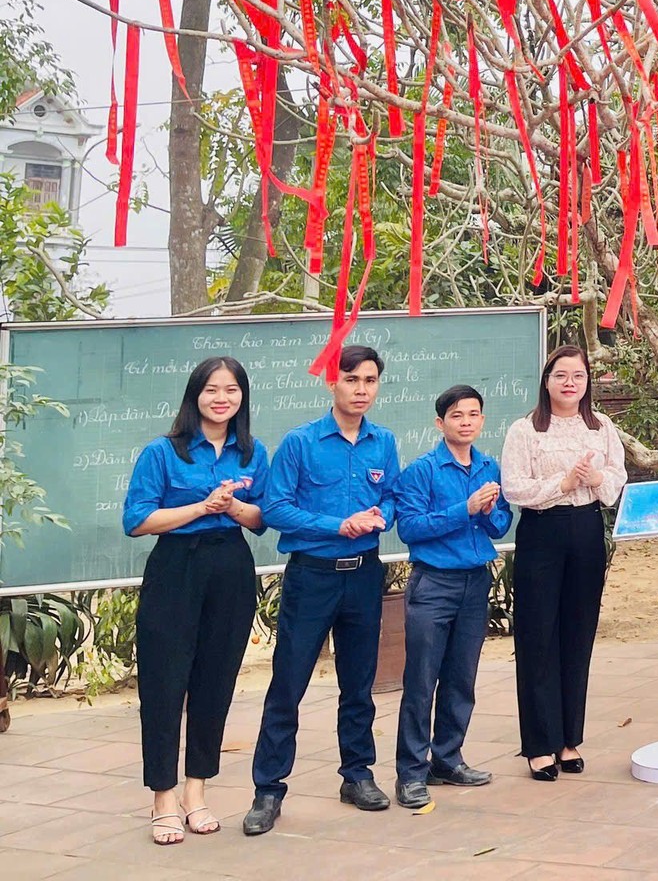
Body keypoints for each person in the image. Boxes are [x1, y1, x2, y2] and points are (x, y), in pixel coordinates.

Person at [243, 344, 400, 837]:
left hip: (365, 575)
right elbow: (275, 509)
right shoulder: (301, 442)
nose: (361, 390)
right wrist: (340, 524)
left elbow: (393, 495)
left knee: (360, 683)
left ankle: (357, 775)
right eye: (352, 380)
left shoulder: (384, 442)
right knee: (288, 684)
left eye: (370, 381)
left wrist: (380, 516)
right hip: (312, 575)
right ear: (332, 382)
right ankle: (268, 789)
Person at [124, 357, 269, 846]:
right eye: (211, 389)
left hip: (230, 567)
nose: (221, 398)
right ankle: (162, 797)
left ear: (242, 398)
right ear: (195, 396)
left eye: (231, 390)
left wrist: (233, 507)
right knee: (165, 684)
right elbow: (138, 520)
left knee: (215, 681)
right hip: (175, 568)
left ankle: (196, 791)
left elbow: (260, 519)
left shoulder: (252, 453)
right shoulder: (163, 453)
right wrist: (200, 508)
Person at [501, 344, 627, 778]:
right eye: (561, 375)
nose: (570, 383)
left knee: (578, 635)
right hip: (542, 532)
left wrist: (596, 480)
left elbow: (616, 479)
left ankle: (569, 738)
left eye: (577, 375)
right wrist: (564, 482)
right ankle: (539, 744)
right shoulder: (525, 430)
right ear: (547, 381)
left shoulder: (602, 426)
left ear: (587, 381)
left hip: (588, 532)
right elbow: (514, 488)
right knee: (538, 637)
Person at [391, 384, 514, 808]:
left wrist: (490, 509)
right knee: (422, 679)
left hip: (475, 582)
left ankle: (447, 758)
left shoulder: (488, 465)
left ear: (482, 420)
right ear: (440, 423)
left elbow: (500, 525)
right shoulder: (422, 470)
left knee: (462, 677)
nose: (466, 422)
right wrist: (464, 508)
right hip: (434, 583)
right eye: (457, 416)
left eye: (474, 414)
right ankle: (410, 772)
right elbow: (409, 528)